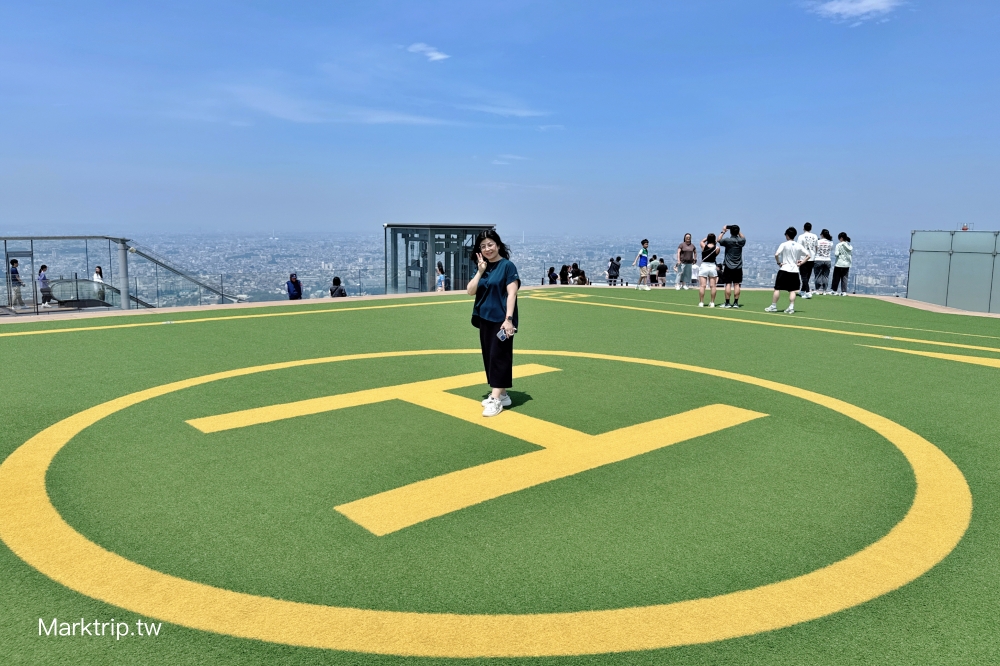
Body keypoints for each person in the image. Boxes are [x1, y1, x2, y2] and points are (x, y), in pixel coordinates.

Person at [467, 229, 520, 418]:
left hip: (501, 319)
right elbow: (470, 291)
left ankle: (496, 399)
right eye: (483, 246)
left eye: (490, 244)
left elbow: (512, 293)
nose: (487, 249)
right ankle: (503, 394)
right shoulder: (484, 268)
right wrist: (480, 271)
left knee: (499, 356)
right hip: (485, 318)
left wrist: (509, 319)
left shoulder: (507, 266)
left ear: (498, 245)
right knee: (490, 356)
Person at [766, 227, 810, 314]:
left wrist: (779, 262)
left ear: (787, 235)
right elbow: (808, 255)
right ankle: (791, 307)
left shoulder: (784, 244)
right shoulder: (798, 245)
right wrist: (801, 263)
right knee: (792, 290)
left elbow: (776, 254)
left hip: (784, 269)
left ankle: (773, 306)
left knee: (777, 289)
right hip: (794, 270)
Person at [718, 225, 745, 308]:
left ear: (730, 232)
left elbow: (718, 240)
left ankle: (727, 303)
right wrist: (738, 230)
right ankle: (736, 303)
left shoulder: (727, 241)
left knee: (728, 284)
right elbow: (743, 237)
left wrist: (723, 231)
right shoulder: (741, 241)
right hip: (738, 266)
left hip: (728, 266)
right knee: (737, 284)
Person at [697, 233, 720, 307]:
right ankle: (712, 302)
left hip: (704, 266)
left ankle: (701, 302)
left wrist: (707, 238)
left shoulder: (704, 246)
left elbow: (701, 241)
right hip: (712, 266)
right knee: (713, 286)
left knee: (702, 285)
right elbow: (716, 255)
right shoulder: (717, 248)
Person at [797, 223, 819, 299]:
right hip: (812, 257)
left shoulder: (801, 236)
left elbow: (798, 248)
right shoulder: (815, 236)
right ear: (811, 228)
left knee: (803, 276)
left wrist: (797, 258)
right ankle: (802, 290)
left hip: (803, 257)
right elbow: (816, 247)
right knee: (807, 276)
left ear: (804, 228)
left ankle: (808, 292)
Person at [813, 229, 833, 294]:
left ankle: (817, 290)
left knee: (818, 275)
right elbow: (831, 249)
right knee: (826, 276)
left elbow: (815, 250)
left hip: (818, 259)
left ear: (822, 235)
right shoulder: (830, 242)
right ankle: (824, 290)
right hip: (827, 260)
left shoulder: (818, 241)